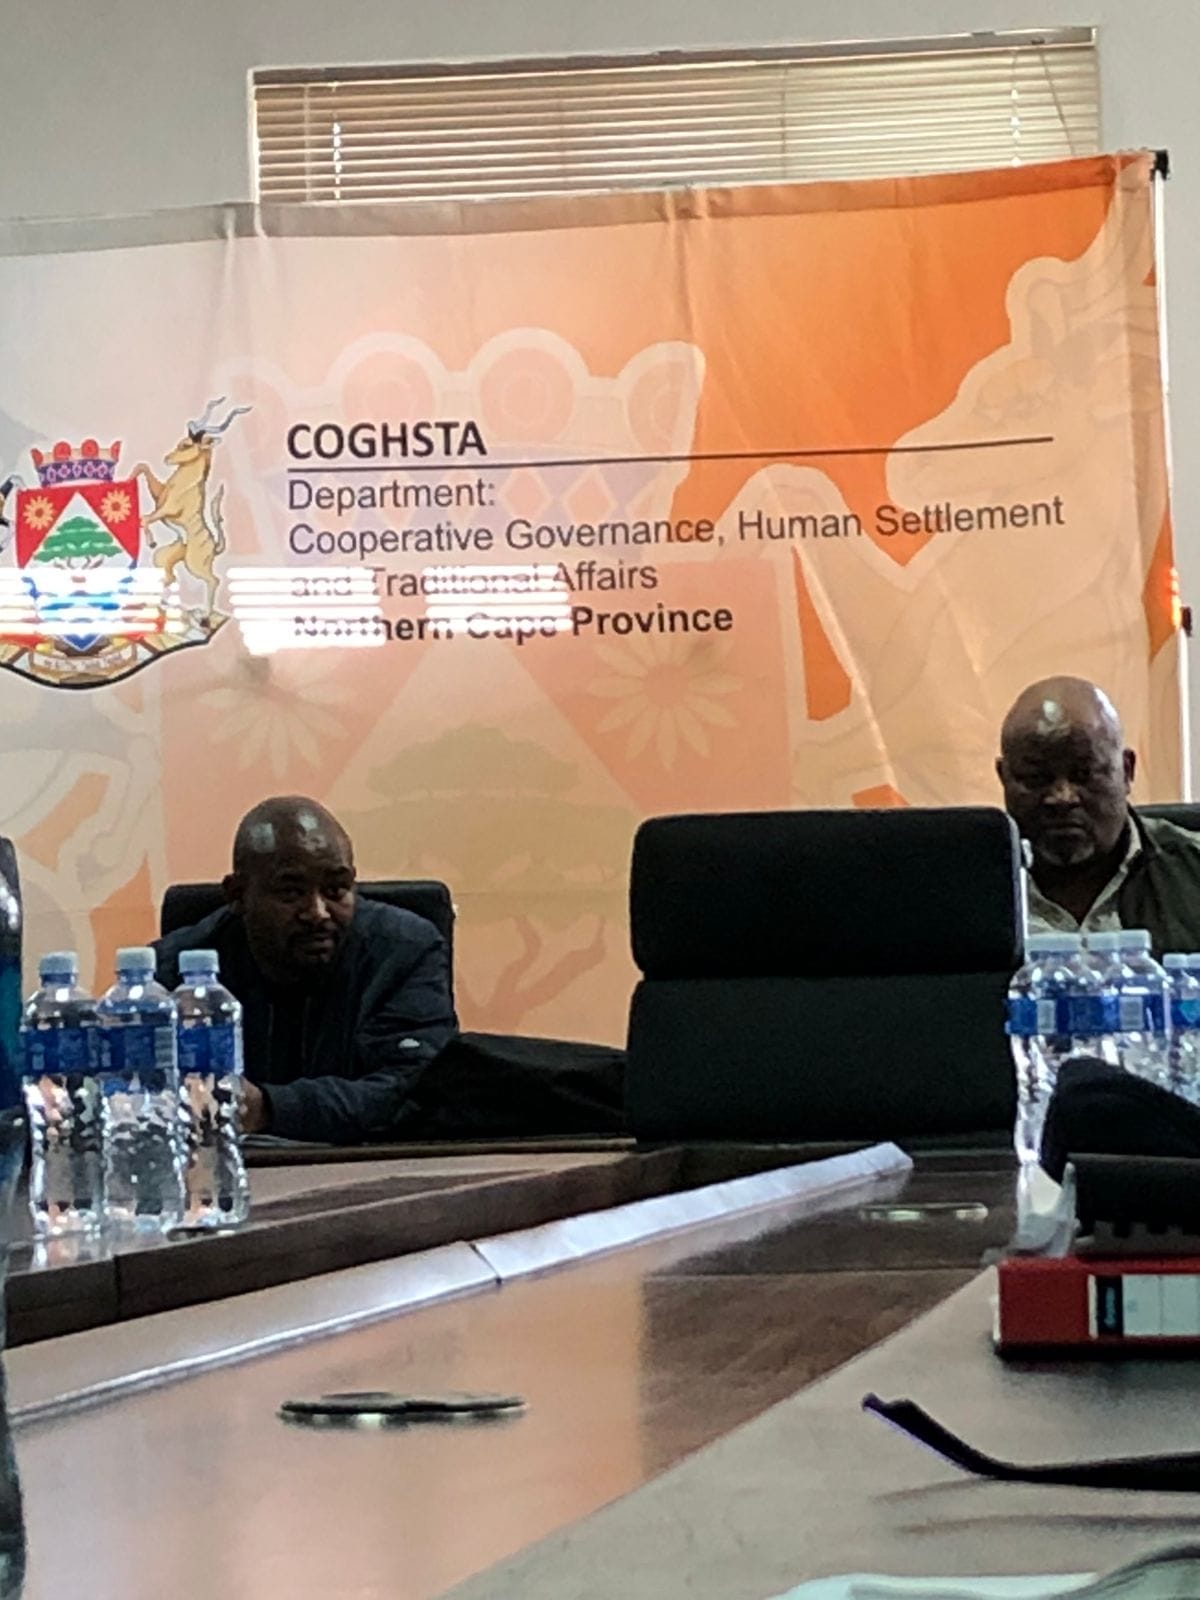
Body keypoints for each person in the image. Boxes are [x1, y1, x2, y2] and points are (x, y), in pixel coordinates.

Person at [154, 796, 457, 1145]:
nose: (317, 912)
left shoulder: (404, 952)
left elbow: (415, 1092)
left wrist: (267, 1109)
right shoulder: (172, 971)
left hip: (371, 1165)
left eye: (335, 890)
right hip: (219, 1168)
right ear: (238, 895)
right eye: (291, 892)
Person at [996, 675, 1200, 953]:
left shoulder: (1191, 871)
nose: (1062, 797)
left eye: (1084, 775)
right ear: (1004, 777)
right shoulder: (961, 888)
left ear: (1127, 770)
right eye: (1036, 778)